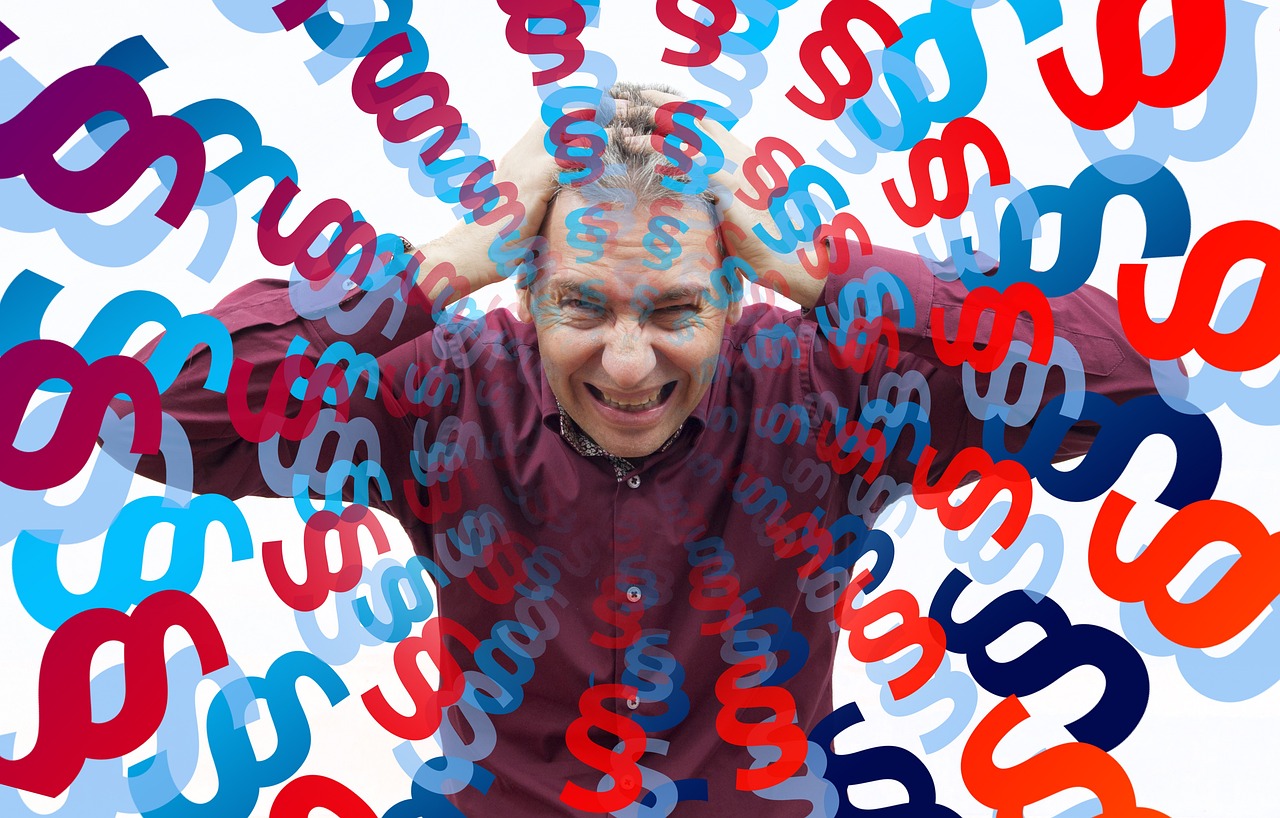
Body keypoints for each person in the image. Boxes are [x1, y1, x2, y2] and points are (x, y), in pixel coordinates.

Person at [113, 83, 1160, 816]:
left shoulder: (830, 386)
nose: (624, 365)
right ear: (520, 289)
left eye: (672, 308)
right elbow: (154, 417)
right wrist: (440, 259)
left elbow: (1122, 387)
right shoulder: (441, 392)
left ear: (734, 288)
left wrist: (831, 275)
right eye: (580, 303)